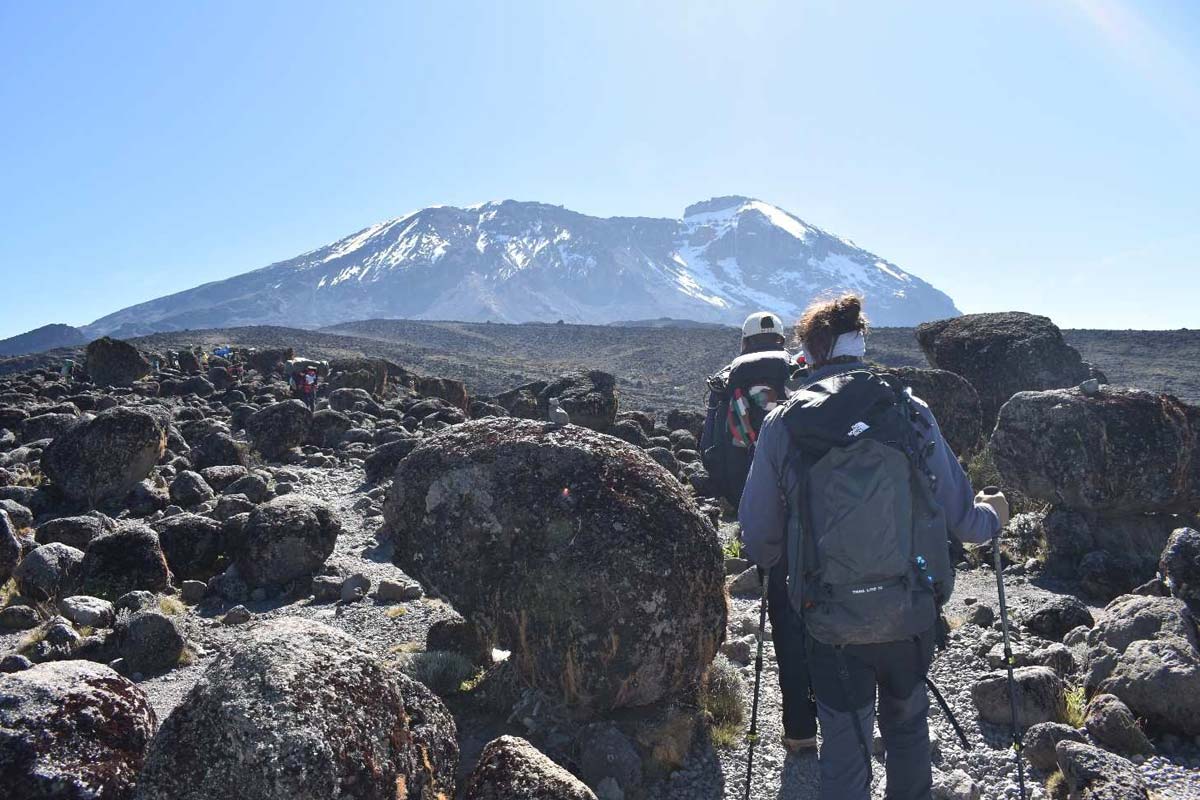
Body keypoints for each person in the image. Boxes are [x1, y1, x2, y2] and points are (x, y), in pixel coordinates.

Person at [739, 294, 1009, 800]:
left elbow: (758, 535)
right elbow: (968, 522)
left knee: (845, 744)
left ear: (811, 353)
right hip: (909, 612)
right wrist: (996, 514)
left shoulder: (785, 422)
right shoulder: (910, 409)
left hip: (829, 616)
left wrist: (778, 561)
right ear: (861, 343)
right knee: (907, 730)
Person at [700, 311, 818, 753]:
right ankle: (844, 719)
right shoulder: (802, 373)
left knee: (785, 617)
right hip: (820, 515)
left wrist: (743, 505)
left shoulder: (729, 382)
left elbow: (712, 453)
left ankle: (800, 729)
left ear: (745, 342)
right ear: (780, 338)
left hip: (765, 518)